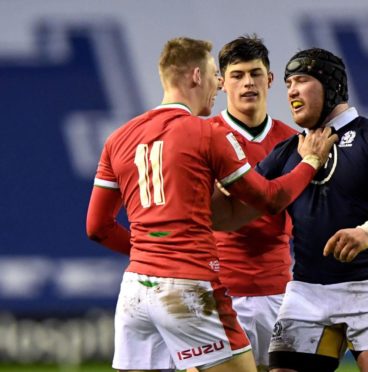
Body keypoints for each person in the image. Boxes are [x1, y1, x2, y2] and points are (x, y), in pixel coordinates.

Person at [85, 36, 336, 372]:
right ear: (197, 76)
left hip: (137, 288)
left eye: (255, 74)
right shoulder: (206, 134)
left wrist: (153, 251)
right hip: (191, 286)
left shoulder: (119, 136)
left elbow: (97, 227)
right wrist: (310, 163)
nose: (220, 84)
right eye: (219, 74)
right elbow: (270, 198)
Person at [214, 47, 368, 372]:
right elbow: (229, 215)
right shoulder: (287, 152)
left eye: (301, 80)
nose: (291, 91)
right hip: (307, 291)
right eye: (288, 84)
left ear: (331, 86)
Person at [210, 35, 297, 372]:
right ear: (221, 83)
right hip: (220, 289)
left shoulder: (293, 142)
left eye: (256, 73)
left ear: (270, 79)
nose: (248, 83)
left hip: (280, 290)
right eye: (237, 75)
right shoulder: (203, 138)